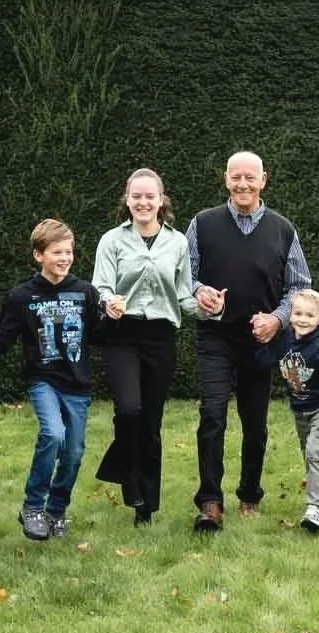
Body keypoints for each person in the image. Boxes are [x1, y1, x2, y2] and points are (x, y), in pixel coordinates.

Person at [0, 218, 104, 540]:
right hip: (43, 380)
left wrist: (113, 317)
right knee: (53, 434)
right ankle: (33, 506)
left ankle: (56, 511)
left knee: (74, 453)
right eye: (56, 252)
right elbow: (2, 340)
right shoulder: (22, 297)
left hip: (77, 385)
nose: (64, 258)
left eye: (69, 252)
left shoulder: (85, 292)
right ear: (38, 255)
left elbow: (99, 336)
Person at [186, 150, 311, 532]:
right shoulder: (202, 224)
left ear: (263, 180)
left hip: (261, 340)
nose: (243, 184)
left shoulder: (282, 228)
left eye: (250, 177)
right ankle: (210, 501)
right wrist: (199, 292)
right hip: (216, 337)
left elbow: (300, 286)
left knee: (255, 424)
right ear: (226, 179)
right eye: (236, 177)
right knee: (212, 416)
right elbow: (183, 276)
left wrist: (277, 319)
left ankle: (250, 494)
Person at [93, 168, 205, 526]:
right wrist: (108, 302)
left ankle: (146, 505)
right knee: (129, 410)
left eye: (149, 196)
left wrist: (209, 306)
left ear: (161, 201)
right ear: (127, 200)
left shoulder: (177, 243)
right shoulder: (111, 240)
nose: (143, 202)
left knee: (151, 422)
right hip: (121, 334)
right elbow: (100, 287)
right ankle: (126, 475)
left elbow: (185, 296)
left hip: (161, 337)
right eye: (136, 196)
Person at [254, 289, 319, 532]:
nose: (302, 319)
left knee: (313, 450)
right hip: (299, 409)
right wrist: (259, 337)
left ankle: (314, 509)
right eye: (297, 313)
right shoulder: (284, 340)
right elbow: (263, 360)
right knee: (311, 454)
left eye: (309, 315)